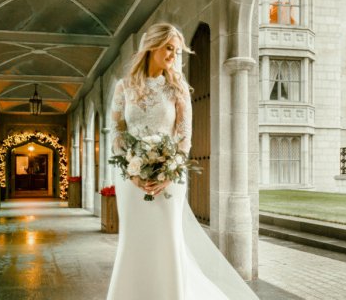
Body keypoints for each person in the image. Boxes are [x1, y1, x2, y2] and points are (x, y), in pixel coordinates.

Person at [106, 23, 259, 300]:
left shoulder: (177, 89)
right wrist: (132, 171)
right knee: (134, 240)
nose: (173, 55)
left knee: (166, 239)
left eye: (176, 50)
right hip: (130, 178)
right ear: (151, 46)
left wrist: (167, 173)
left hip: (170, 177)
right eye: (168, 48)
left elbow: (184, 138)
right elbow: (117, 132)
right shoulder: (124, 87)